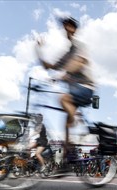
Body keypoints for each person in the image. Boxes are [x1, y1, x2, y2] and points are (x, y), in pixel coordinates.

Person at [36, 16, 95, 167]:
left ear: (74, 29)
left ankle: (76, 118)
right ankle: (69, 155)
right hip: (75, 91)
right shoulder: (67, 53)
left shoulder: (79, 46)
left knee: (63, 100)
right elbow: (50, 66)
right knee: (66, 125)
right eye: (64, 27)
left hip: (86, 87)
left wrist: (65, 74)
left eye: (69, 26)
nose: (66, 29)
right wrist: (39, 50)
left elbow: (80, 63)